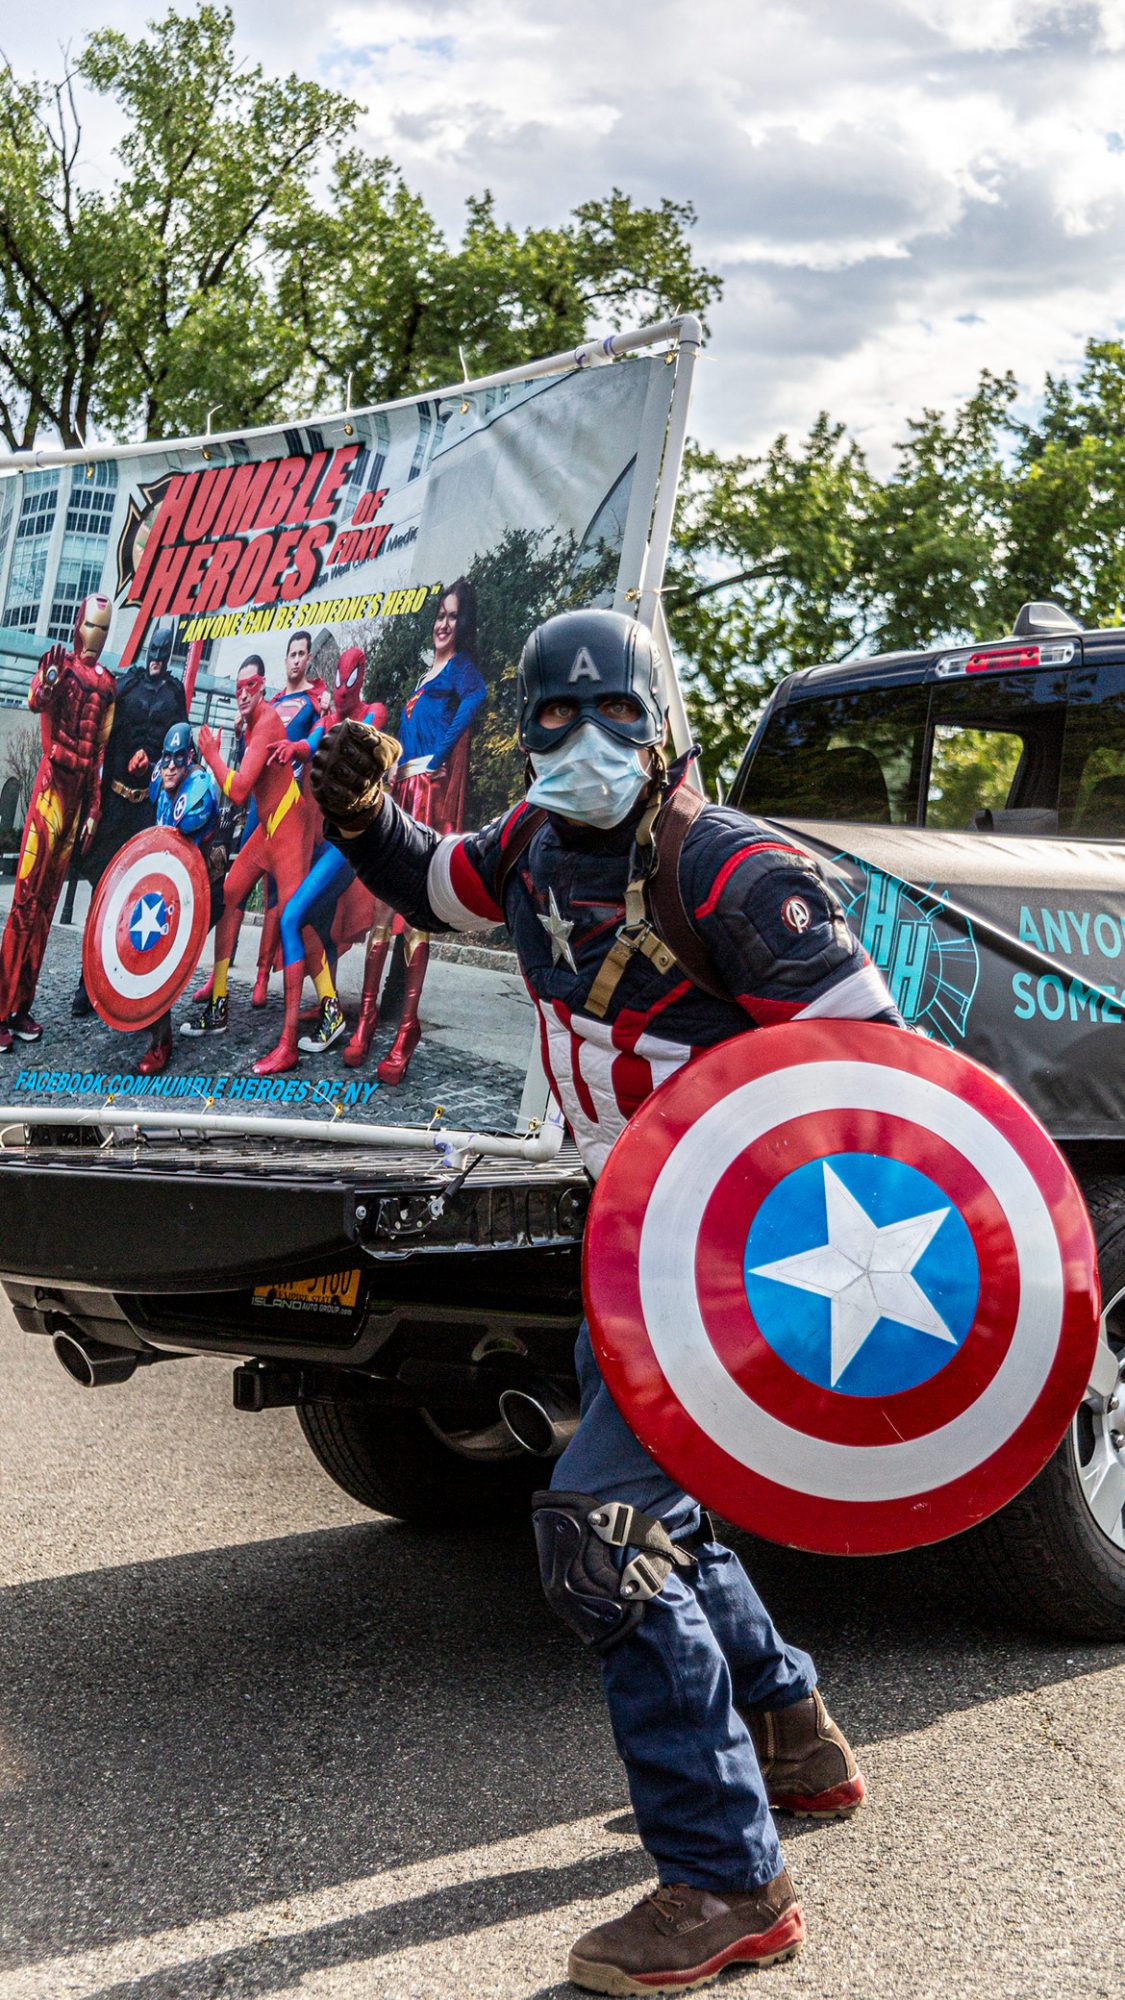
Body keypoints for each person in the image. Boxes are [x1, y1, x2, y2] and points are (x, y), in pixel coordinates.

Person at [309, 608, 903, 1995]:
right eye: (556, 719)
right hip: (625, 1243)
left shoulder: (739, 874)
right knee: (654, 1507)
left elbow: (875, 1091)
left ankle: (724, 1880)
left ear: (664, 716)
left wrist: (799, 1285)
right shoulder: (527, 845)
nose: (585, 742)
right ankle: (789, 1732)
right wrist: (365, 814)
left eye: (613, 714)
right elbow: (438, 885)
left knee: (603, 1528)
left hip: (740, 1255)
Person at [344, 576, 486, 1082]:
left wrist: (438, 758)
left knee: (417, 919)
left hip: (425, 797)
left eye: (452, 616)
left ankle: (405, 1030)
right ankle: (364, 1021)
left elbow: (476, 700)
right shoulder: (431, 672)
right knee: (383, 911)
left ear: (462, 624)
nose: (442, 623)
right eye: (439, 615)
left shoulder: (463, 670)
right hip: (399, 795)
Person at [182, 656, 332, 1075]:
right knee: (230, 893)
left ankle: (299, 1033)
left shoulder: (266, 721)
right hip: (268, 829)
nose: (242, 693)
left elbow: (238, 789)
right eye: (238, 688)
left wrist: (211, 755)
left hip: (288, 829)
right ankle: (220, 1003)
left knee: (294, 921)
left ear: (262, 688)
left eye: (250, 686)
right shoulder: (255, 722)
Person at [0, 595, 115, 1055]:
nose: (96, 637)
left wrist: (93, 809)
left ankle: (21, 1006)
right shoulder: (59, 668)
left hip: (76, 801)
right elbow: (35, 700)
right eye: (91, 626)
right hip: (49, 795)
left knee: (45, 910)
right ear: (77, 625)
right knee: (24, 905)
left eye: (104, 630)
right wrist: (48, 680)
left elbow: (100, 754)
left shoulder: (108, 685)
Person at [266, 644, 387, 1056]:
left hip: (349, 841)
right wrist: (291, 748)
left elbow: (359, 744)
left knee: (292, 917)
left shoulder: (373, 714)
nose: (342, 691)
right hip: (329, 837)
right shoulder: (333, 716)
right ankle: (328, 1009)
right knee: (318, 922)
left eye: (348, 683)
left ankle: (287, 1045)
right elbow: (311, 742)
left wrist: (327, 723)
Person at [72, 614, 187, 1017]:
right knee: (101, 890)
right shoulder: (128, 685)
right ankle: (86, 983)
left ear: (169, 653)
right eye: (152, 650)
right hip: (117, 801)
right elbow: (107, 737)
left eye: (162, 651)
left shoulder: (175, 694)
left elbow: (178, 746)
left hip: (145, 809)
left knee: (135, 896)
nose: (156, 657)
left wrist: (153, 760)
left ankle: (121, 982)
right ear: (146, 650)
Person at [136, 721, 225, 1074]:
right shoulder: (160, 779)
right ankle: (152, 1018)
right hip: (168, 880)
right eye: (166, 757)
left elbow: (185, 829)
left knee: (163, 956)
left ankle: (162, 1041)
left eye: (178, 757)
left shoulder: (199, 791)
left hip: (199, 885)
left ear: (189, 758)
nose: (170, 765)